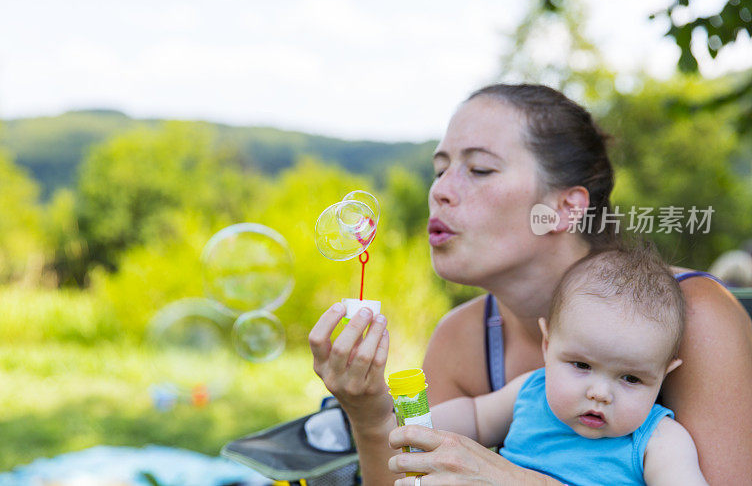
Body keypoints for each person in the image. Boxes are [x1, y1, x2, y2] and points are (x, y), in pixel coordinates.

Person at [308, 84, 752, 485]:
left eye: (479, 169)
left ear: (563, 207)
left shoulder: (694, 315)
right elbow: (411, 477)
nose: (440, 190)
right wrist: (368, 413)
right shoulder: (461, 338)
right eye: (440, 169)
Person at [431, 243, 707, 485]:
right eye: (581, 365)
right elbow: (474, 417)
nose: (599, 393)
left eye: (631, 379)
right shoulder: (531, 392)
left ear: (663, 374)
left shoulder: (659, 441)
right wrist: (402, 423)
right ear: (547, 345)